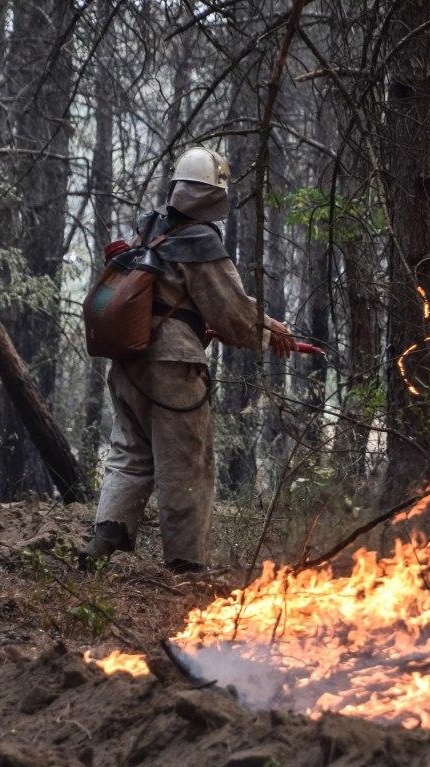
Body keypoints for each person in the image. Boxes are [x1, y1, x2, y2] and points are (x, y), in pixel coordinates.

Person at [83, 146, 294, 572]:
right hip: (172, 367)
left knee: (130, 452)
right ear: (215, 194)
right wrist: (267, 333)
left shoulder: (151, 232)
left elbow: (185, 302)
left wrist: (263, 321)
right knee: (186, 461)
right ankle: (186, 563)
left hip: (128, 361)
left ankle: (105, 539)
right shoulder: (200, 241)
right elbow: (232, 314)